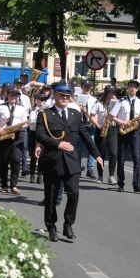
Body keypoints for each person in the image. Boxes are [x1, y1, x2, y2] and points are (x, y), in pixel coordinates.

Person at [36, 82, 103, 242]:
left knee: (74, 194)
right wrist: (57, 143)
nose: (65, 98)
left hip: (72, 161)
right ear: (55, 95)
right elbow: (40, 135)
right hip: (53, 161)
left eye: (67, 96)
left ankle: (68, 224)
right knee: (51, 196)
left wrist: (97, 154)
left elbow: (85, 135)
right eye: (62, 95)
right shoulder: (45, 114)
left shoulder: (75, 114)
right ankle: (51, 226)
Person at [0, 84, 28, 194]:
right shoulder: (0, 107)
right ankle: (4, 185)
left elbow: (25, 123)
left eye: (16, 95)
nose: (13, 97)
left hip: (17, 136)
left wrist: (20, 127)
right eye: (11, 94)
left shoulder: (21, 109)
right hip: (4, 136)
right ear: (7, 95)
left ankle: (13, 185)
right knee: (4, 160)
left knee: (16, 160)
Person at [111, 79, 140, 193]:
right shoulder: (121, 101)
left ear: (137, 89)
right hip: (123, 131)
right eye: (131, 86)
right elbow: (112, 116)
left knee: (137, 157)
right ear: (128, 88)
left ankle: (137, 184)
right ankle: (120, 184)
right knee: (121, 158)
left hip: (135, 131)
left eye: (135, 87)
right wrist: (121, 122)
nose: (132, 89)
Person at [90, 85, 118, 184]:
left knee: (113, 153)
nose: (111, 94)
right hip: (101, 129)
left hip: (112, 129)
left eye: (113, 92)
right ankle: (100, 175)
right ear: (106, 93)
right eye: (110, 92)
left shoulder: (116, 104)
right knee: (101, 154)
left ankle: (111, 176)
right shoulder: (98, 103)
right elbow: (92, 116)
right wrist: (98, 126)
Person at [75, 80, 97, 178]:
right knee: (78, 147)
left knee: (91, 146)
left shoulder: (93, 99)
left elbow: (95, 112)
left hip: (90, 123)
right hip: (79, 123)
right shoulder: (76, 98)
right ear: (82, 86)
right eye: (85, 86)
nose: (87, 88)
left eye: (89, 86)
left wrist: (87, 112)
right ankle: (78, 168)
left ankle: (90, 169)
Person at [29, 94, 45, 184]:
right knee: (34, 156)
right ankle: (32, 175)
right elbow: (32, 123)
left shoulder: (46, 111)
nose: (41, 102)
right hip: (34, 133)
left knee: (42, 155)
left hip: (42, 134)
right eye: (39, 100)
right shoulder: (33, 110)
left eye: (42, 100)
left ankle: (40, 175)